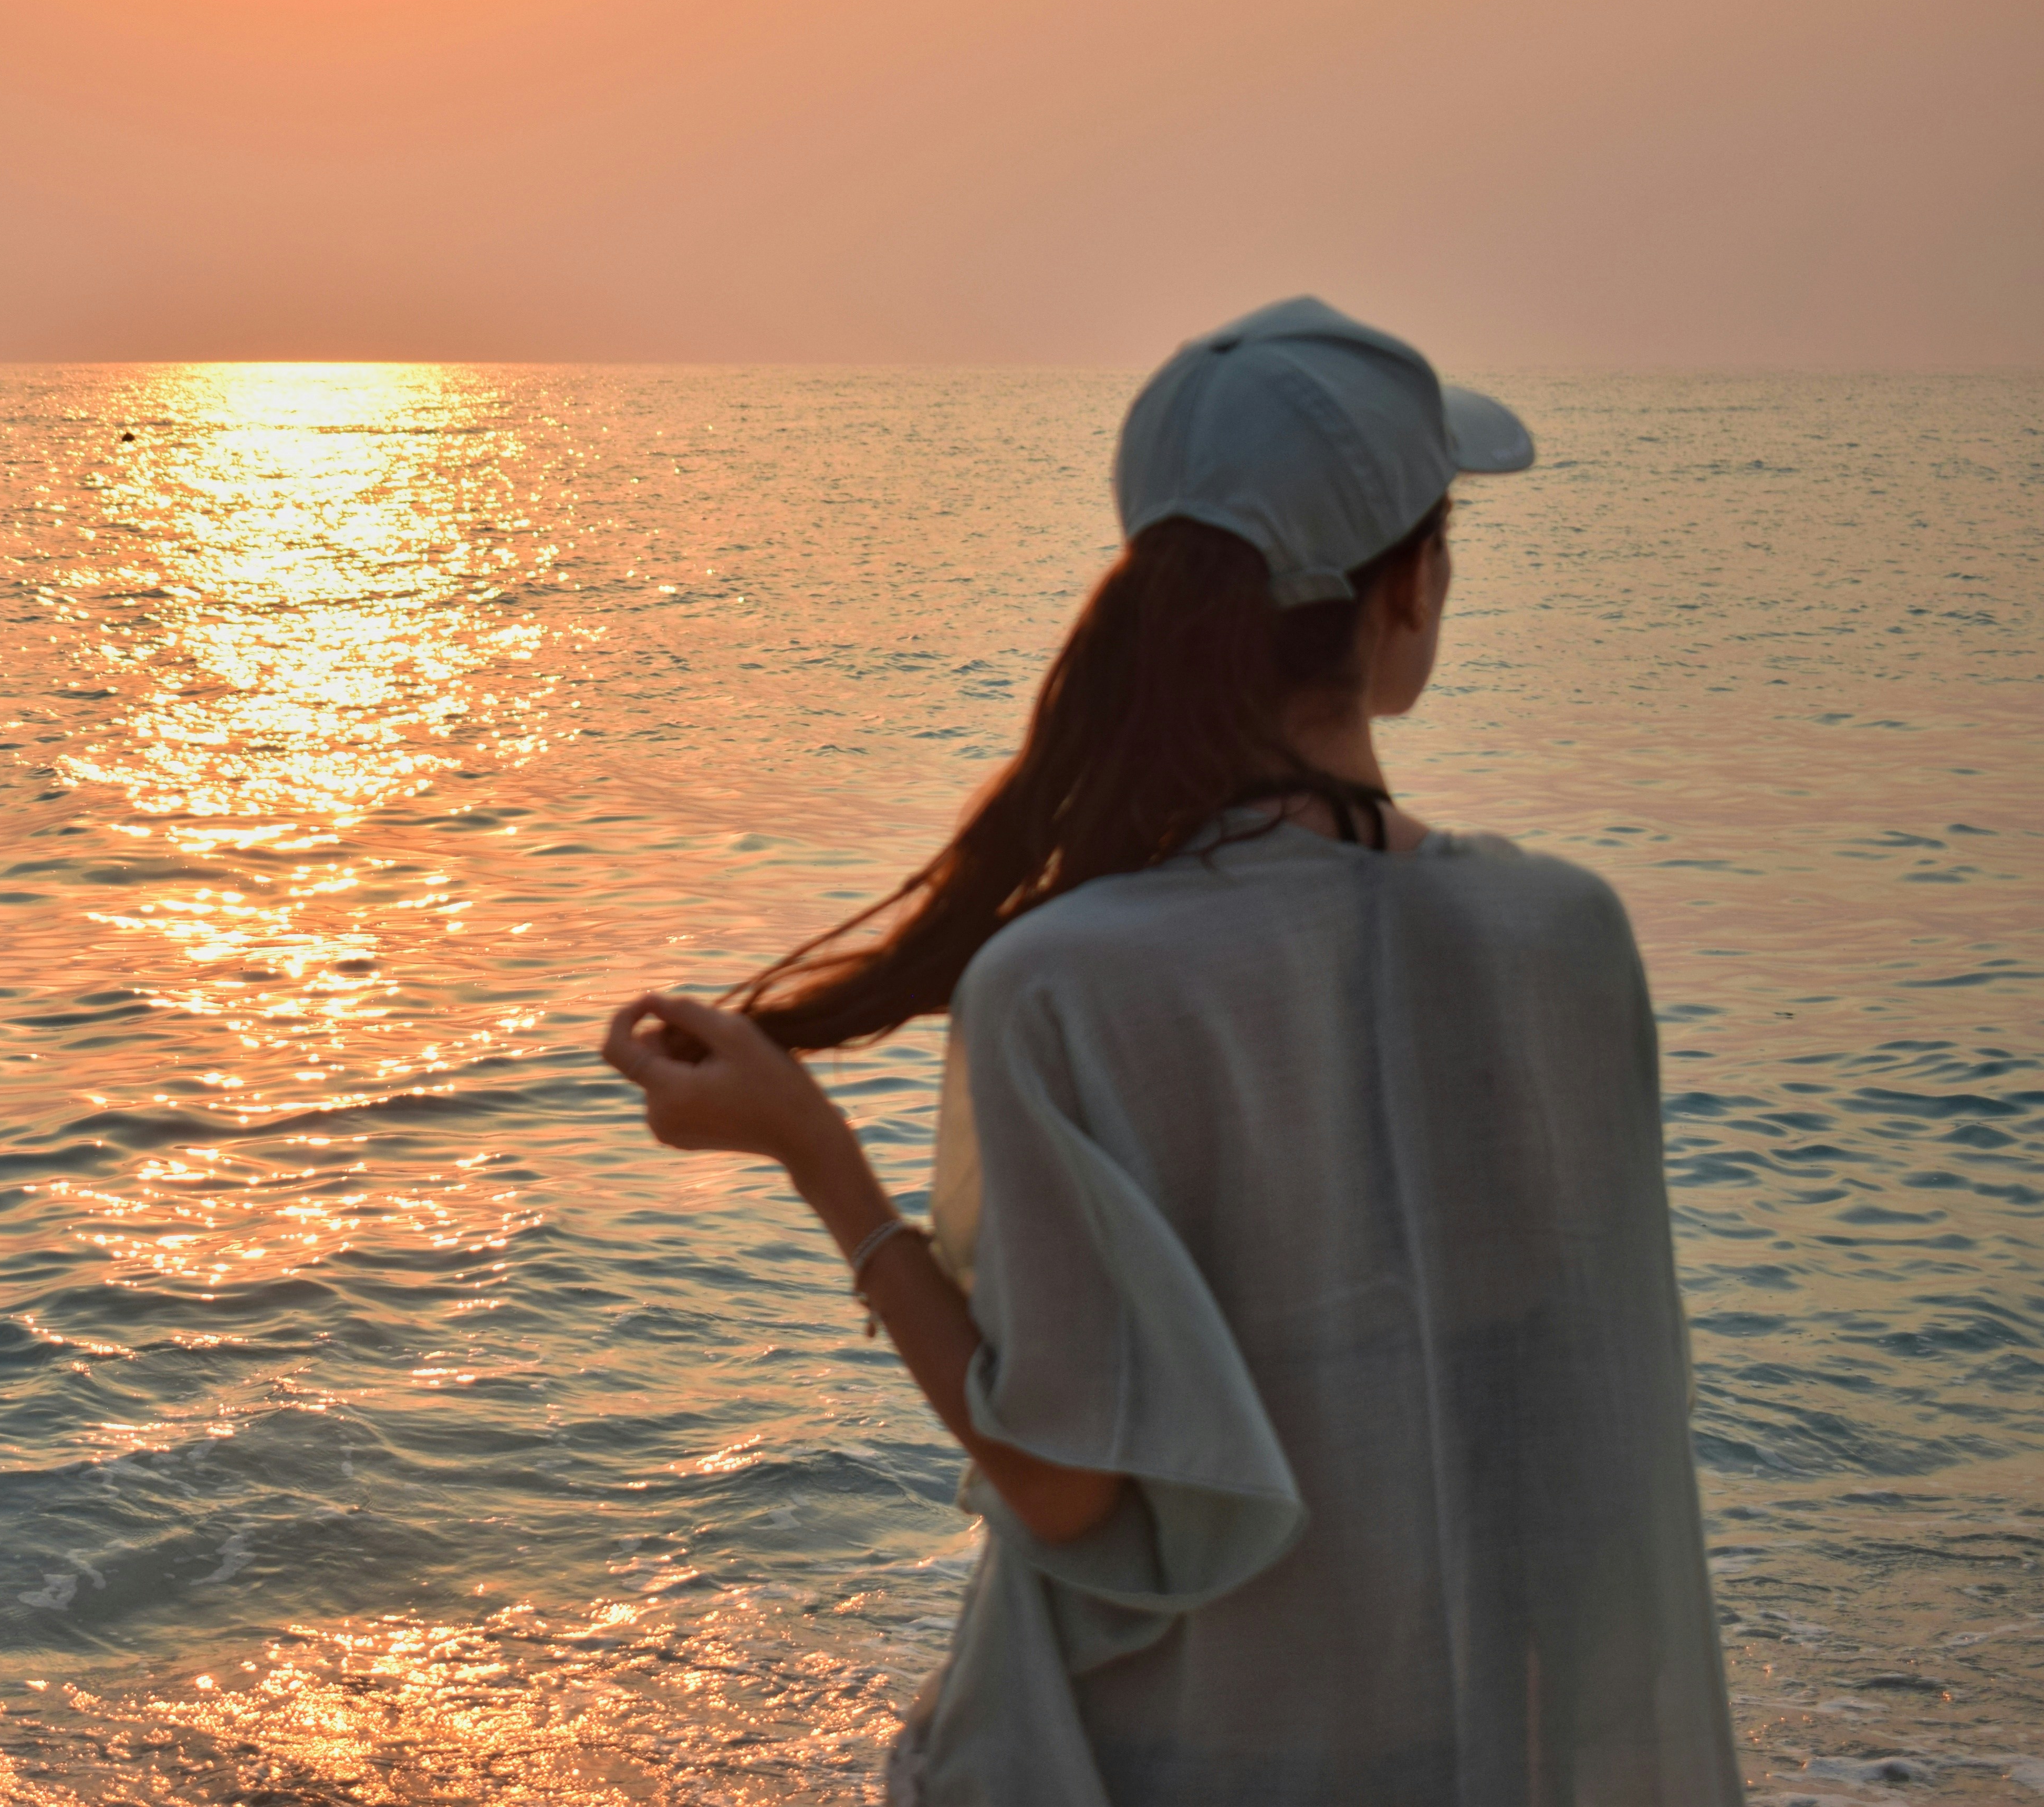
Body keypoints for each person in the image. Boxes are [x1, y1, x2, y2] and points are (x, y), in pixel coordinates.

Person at [600, 298, 1741, 1805]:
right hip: (1456, 1753)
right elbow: (1562, 1450)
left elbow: (1065, 1489)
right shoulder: (1564, 940)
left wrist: (821, 1161)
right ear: (1412, 584)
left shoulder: (1068, 980)